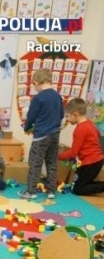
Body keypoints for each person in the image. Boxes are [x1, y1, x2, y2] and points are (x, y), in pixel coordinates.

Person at [20, 68, 64, 199]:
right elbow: (61, 115)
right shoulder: (57, 96)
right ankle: (51, 191)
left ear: (37, 81)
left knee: (35, 163)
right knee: (51, 163)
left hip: (41, 136)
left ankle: (31, 191)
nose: (34, 87)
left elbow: (31, 116)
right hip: (55, 134)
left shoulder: (38, 98)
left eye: (34, 84)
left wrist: (26, 127)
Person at [59, 97, 104, 196]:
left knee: (77, 190)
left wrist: (58, 156)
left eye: (67, 116)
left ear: (75, 114)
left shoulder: (80, 129)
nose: (66, 119)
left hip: (91, 162)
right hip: (92, 161)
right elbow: (98, 135)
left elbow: (73, 152)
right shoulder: (90, 123)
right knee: (75, 186)